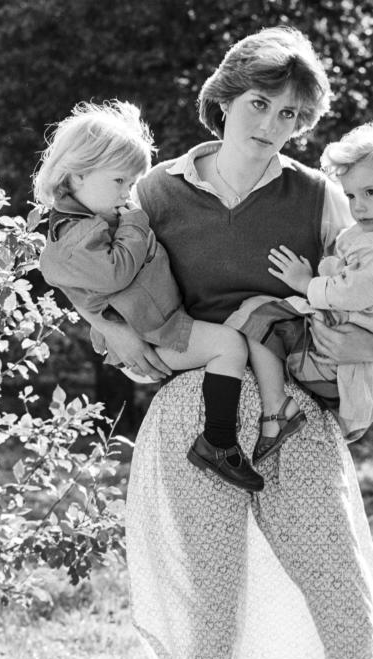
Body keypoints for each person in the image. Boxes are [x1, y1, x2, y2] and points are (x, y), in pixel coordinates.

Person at [90, 26, 373, 659]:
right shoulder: (157, 193)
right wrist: (106, 328)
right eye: (260, 104)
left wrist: (353, 357)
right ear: (226, 98)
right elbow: (96, 274)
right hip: (190, 414)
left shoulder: (320, 198)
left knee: (347, 607)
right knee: (213, 619)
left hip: (293, 419)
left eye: (292, 113)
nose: (272, 123)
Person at [34, 100, 263, 492]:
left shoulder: (90, 218)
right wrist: (136, 222)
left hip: (154, 323)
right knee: (230, 346)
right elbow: (116, 270)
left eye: (132, 182)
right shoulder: (78, 234)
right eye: (120, 181)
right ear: (78, 175)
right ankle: (219, 443)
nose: (129, 193)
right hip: (154, 332)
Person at [228, 122, 373, 445]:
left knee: (255, 315)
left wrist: (305, 283)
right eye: (351, 195)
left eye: (370, 192)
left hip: (328, 362)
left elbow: (346, 293)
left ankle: (276, 408)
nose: (358, 206)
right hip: (343, 365)